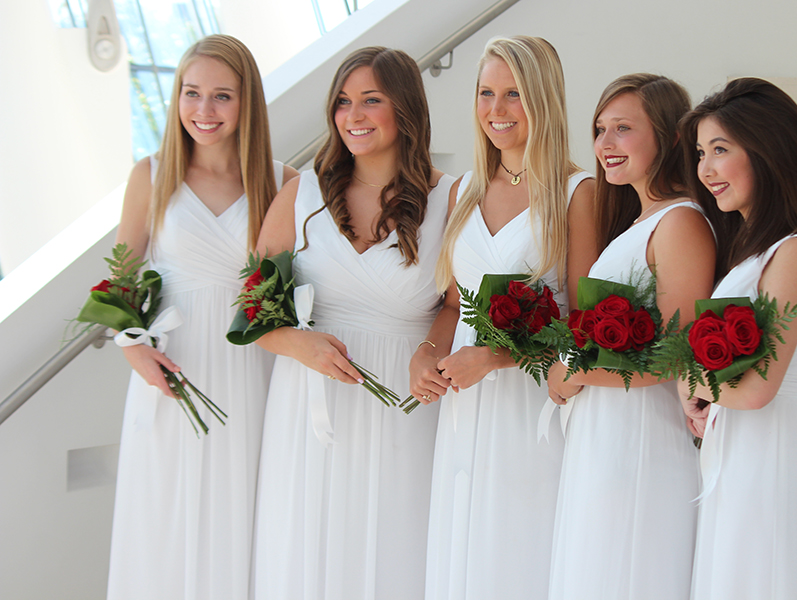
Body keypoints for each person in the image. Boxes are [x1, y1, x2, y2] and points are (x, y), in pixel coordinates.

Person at [251, 46, 452, 600]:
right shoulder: (301, 194)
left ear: (405, 108)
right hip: (310, 404)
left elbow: (457, 305)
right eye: (343, 102)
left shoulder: (450, 198)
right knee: (306, 546)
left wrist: (431, 349)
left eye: (371, 100)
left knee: (397, 548)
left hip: (405, 407)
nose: (353, 116)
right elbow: (252, 310)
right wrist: (298, 344)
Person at [107, 34, 297, 600]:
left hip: (252, 372)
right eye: (192, 94)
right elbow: (120, 278)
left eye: (221, 96)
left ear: (247, 103)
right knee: (163, 511)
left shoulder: (281, 182)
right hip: (172, 370)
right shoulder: (153, 173)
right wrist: (134, 348)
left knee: (245, 508)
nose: (204, 111)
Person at [409, 36, 594, 600]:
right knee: (461, 542)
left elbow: (585, 324)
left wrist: (493, 356)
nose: (496, 109)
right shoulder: (462, 189)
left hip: (530, 404)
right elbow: (451, 304)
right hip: (462, 402)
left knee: (518, 545)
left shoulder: (575, 192)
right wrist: (428, 352)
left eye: (513, 94)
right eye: (486, 93)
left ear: (542, 99)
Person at [546, 73, 716, 600]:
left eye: (623, 128)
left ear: (668, 138)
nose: (605, 145)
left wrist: (571, 370)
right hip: (606, 433)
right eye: (600, 130)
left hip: (642, 437)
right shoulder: (639, 220)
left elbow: (671, 355)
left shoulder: (682, 221)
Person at [679, 77, 797, 600]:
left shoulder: (794, 251)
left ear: (768, 151)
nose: (705, 169)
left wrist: (690, 378)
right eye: (702, 152)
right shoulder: (765, 250)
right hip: (756, 445)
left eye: (721, 150)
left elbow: (757, 390)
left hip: (771, 453)